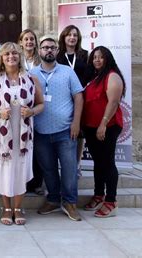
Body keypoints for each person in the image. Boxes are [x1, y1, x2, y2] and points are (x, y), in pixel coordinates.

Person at [0, 42, 44, 225]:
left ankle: (18, 207)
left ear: (20, 56)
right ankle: (6, 207)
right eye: (7, 54)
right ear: (1, 58)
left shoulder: (32, 79)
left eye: (15, 54)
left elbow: (41, 104)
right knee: (5, 169)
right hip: (2, 135)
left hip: (24, 135)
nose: (11, 57)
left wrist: (32, 111)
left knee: (20, 168)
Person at [31, 36, 84, 221]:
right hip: (40, 132)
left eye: (52, 47)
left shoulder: (68, 72)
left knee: (69, 169)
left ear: (57, 51)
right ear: (39, 51)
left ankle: (70, 202)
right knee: (49, 169)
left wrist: (76, 123)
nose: (49, 51)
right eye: (45, 48)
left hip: (65, 131)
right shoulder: (31, 74)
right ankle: (53, 199)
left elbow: (78, 97)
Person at [82, 46, 125, 218]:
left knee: (107, 162)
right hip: (91, 126)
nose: (97, 60)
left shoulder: (112, 76)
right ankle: (99, 194)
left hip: (107, 126)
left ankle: (111, 200)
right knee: (98, 162)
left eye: (101, 57)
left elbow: (113, 102)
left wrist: (103, 124)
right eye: (94, 57)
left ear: (107, 59)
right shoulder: (94, 77)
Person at [57, 25, 89, 177]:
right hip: (62, 98)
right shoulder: (58, 55)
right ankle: (61, 163)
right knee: (62, 130)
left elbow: (89, 75)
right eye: (69, 35)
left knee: (79, 131)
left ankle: (77, 164)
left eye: (75, 35)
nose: (72, 38)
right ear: (64, 37)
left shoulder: (84, 55)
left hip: (80, 97)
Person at [18, 29, 44, 195]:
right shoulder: (16, 59)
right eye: (26, 39)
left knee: (37, 148)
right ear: (21, 42)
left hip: (37, 107)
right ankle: (22, 181)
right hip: (20, 108)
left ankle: (37, 183)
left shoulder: (41, 61)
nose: (29, 42)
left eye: (32, 39)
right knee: (22, 146)